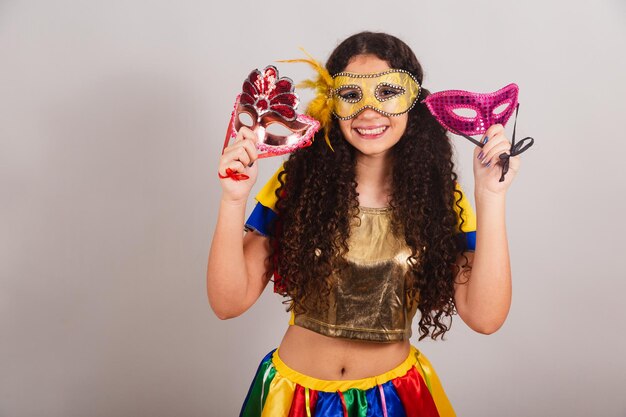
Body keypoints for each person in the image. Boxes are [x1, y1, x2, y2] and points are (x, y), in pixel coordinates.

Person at [207, 31, 518, 417]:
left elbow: (486, 319)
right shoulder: (298, 187)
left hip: (393, 403)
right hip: (294, 400)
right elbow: (227, 303)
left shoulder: (440, 200)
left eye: (387, 92)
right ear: (331, 104)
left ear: (413, 102)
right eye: (352, 96)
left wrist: (491, 197)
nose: (369, 112)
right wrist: (233, 199)